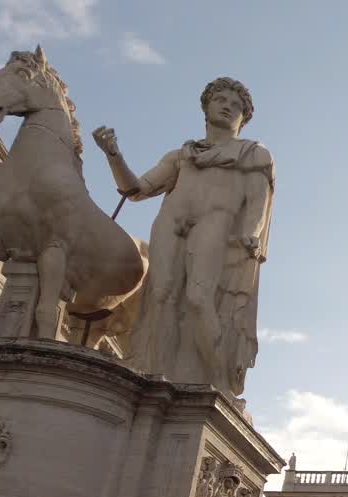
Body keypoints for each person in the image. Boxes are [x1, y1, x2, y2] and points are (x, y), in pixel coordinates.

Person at [92, 77, 274, 400]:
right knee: (159, 296)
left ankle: (220, 383)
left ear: (243, 119)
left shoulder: (253, 154)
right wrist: (114, 155)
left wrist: (251, 232)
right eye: (221, 99)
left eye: (236, 105)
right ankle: (151, 373)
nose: (228, 106)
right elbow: (137, 189)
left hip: (215, 223)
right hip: (170, 223)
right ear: (206, 107)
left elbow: (259, 200)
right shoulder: (181, 155)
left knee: (199, 298)